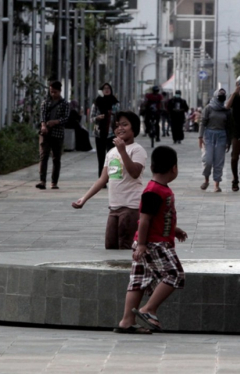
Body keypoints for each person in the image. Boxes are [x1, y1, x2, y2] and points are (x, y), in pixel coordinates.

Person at [114, 145, 188, 334]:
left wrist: (174, 230)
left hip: (150, 242)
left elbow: (157, 216)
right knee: (174, 274)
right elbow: (144, 220)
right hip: (153, 244)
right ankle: (149, 309)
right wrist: (142, 245)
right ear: (174, 168)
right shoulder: (154, 191)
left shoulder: (159, 189)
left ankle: (126, 322)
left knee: (138, 280)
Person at [72, 112, 146, 249]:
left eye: (125, 125)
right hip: (114, 208)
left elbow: (135, 173)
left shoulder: (137, 150)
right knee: (110, 246)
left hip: (130, 207)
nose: (120, 128)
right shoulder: (111, 152)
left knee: (126, 247)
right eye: (117, 125)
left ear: (134, 128)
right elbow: (102, 179)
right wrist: (84, 198)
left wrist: (123, 151)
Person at [37, 81, 70, 190]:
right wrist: (43, 125)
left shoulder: (65, 103)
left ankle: (54, 182)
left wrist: (56, 122)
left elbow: (66, 118)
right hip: (45, 133)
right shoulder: (45, 102)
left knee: (56, 158)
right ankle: (42, 181)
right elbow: (42, 116)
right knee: (43, 156)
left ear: (60, 91)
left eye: (55, 92)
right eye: (51, 92)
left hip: (58, 133)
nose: (53, 94)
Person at [199, 88, 232, 192]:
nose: (222, 96)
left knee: (218, 162)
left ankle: (216, 184)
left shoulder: (226, 110)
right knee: (207, 160)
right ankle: (206, 180)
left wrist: (229, 141)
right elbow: (203, 122)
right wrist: (200, 137)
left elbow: (229, 126)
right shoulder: (208, 108)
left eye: (223, 94)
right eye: (220, 94)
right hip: (209, 135)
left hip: (222, 136)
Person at [91, 83, 120, 178]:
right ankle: (102, 179)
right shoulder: (96, 103)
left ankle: (112, 177)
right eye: (104, 88)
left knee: (112, 157)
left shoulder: (115, 103)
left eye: (108, 88)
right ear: (101, 91)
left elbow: (119, 116)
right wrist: (98, 117)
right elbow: (91, 118)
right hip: (99, 133)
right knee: (101, 157)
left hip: (112, 133)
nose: (107, 90)